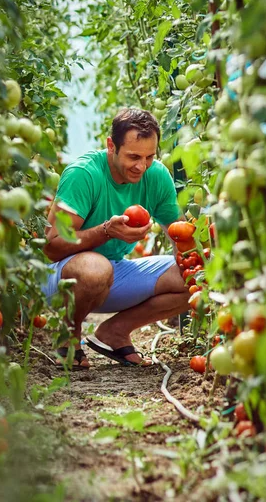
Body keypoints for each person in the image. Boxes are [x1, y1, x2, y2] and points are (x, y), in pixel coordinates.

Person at [42, 107, 190, 369]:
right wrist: (106, 231)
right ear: (111, 146)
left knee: (193, 276)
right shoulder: (84, 174)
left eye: (149, 157)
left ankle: (116, 331)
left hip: (111, 273)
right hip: (61, 276)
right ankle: (68, 335)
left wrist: (199, 263)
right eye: (133, 156)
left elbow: (179, 234)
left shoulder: (155, 176)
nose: (141, 166)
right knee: (96, 267)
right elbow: (51, 248)